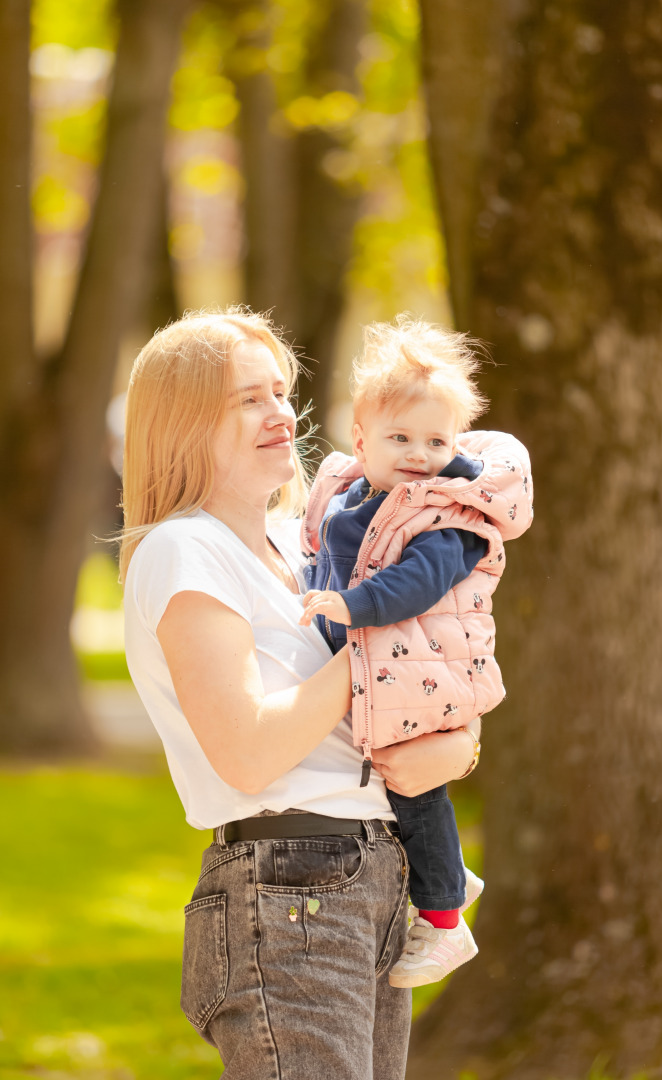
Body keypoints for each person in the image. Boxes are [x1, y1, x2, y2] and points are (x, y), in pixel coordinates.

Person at [120, 308, 482, 1080]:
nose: (280, 412)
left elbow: (420, 682)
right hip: (291, 887)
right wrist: (378, 649)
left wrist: (457, 745)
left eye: (280, 392)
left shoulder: (305, 543)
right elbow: (248, 751)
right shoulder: (184, 549)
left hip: (378, 874)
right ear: (184, 421)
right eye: (247, 398)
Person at [299, 315, 533, 989]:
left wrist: (353, 607)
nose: (417, 454)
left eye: (435, 440)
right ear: (360, 439)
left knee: (415, 785)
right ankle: (450, 870)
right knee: (396, 785)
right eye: (399, 437)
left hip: (423, 669)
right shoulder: (348, 496)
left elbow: (418, 582)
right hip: (380, 669)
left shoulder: (447, 514)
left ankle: (442, 920)